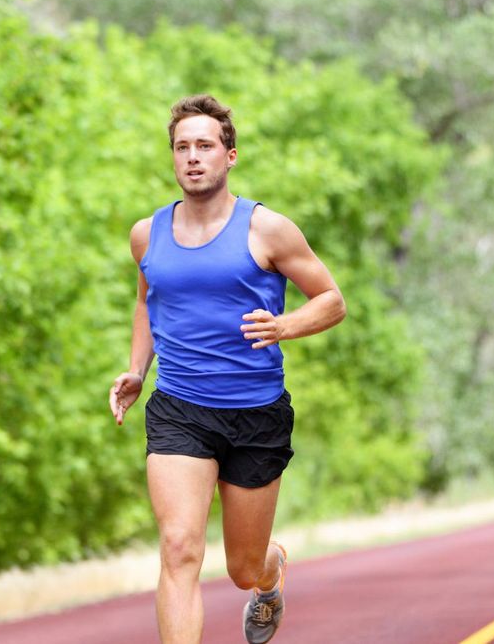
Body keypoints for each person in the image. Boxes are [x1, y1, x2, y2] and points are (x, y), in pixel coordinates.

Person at [109, 94, 346, 644]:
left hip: (255, 413)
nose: (193, 157)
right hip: (179, 409)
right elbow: (147, 302)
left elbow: (331, 300)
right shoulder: (147, 234)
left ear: (229, 155)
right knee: (180, 548)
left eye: (205, 146)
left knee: (242, 568)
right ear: (172, 157)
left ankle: (270, 571)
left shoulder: (267, 230)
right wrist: (137, 371)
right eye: (182, 147)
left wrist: (285, 326)